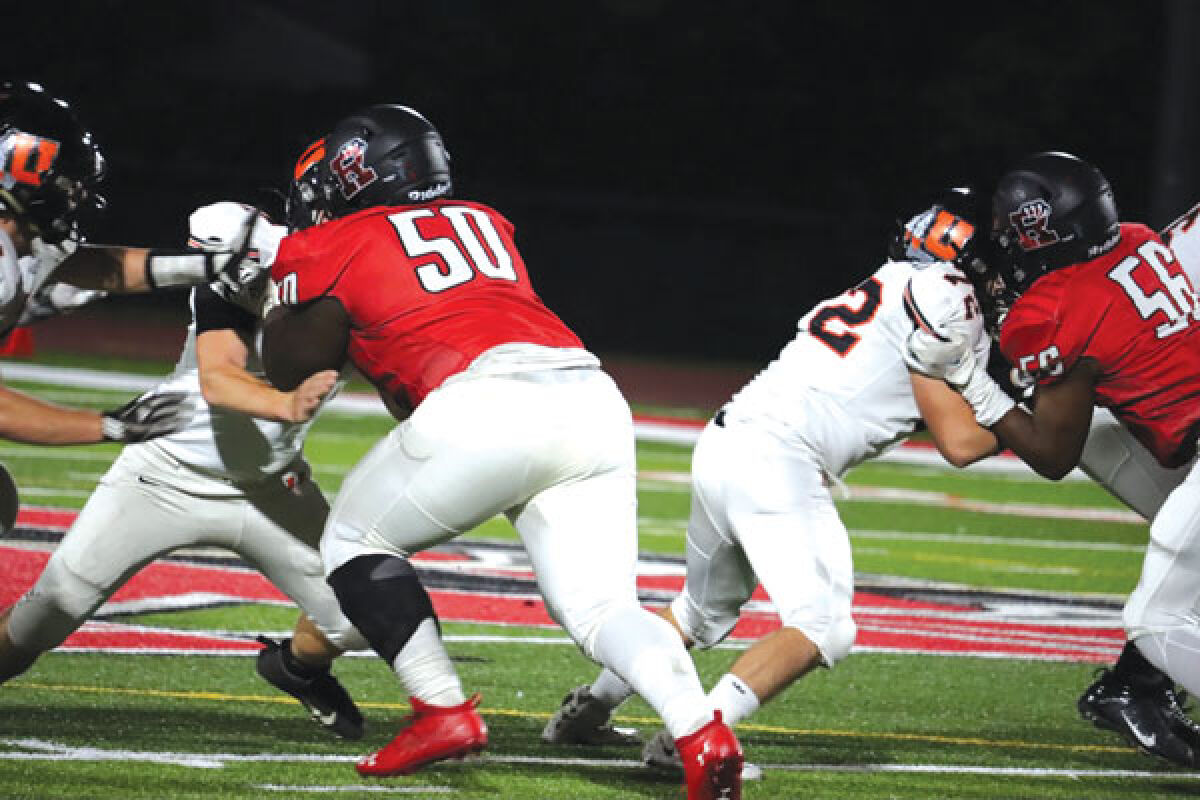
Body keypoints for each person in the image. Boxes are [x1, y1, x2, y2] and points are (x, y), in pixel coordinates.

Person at [260, 104, 744, 799]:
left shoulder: (338, 239)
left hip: (490, 399)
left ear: (355, 173)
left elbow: (288, 366)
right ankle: (702, 732)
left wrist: (275, 283)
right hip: (589, 393)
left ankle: (441, 711)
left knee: (352, 540)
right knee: (605, 609)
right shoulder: (487, 222)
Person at [541, 189, 1004, 775]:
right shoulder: (947, 296)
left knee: (701, 612)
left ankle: (588, 709)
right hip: (779, 459)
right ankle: (698, 738)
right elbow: (962, 442)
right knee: (823, 626)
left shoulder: (888, 281)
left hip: (728, 436)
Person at [0, 201, 370, 739]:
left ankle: (297, 667)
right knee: (46, 613)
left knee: (363, 610)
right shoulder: (233, 275)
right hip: (164, 474)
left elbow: (98, 266)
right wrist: (287, 404)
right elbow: (220, 379)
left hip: (269, 486)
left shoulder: (342, 284)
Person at [908, 151, 1200, 766]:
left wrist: (969, 377)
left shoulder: (1054, 310)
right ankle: (1132, 689)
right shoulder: (1142, 240)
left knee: (1155, 621)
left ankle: (1136, 687)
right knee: (1098, 428)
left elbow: (1050, 455)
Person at [0, 80, 263, 446]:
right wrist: (108, 426)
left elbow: (99, 267)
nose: (74, 193)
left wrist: (205, 266)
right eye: (67, 179)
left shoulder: (17, 243)